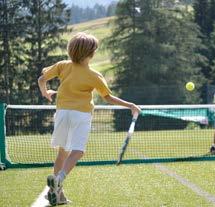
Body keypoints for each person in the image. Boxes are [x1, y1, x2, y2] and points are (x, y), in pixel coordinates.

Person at [38, 32, 141, 206]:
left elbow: (42, 79)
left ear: (71, 50)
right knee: (78, 151)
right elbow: (108, 97)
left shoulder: (62, 65)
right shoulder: (94, 76)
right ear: (91, 54)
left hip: (62, 113)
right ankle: (59, 180)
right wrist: (131, 105)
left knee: (62, 153)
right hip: (82, 115)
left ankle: (57, 194)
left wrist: (46, 93)